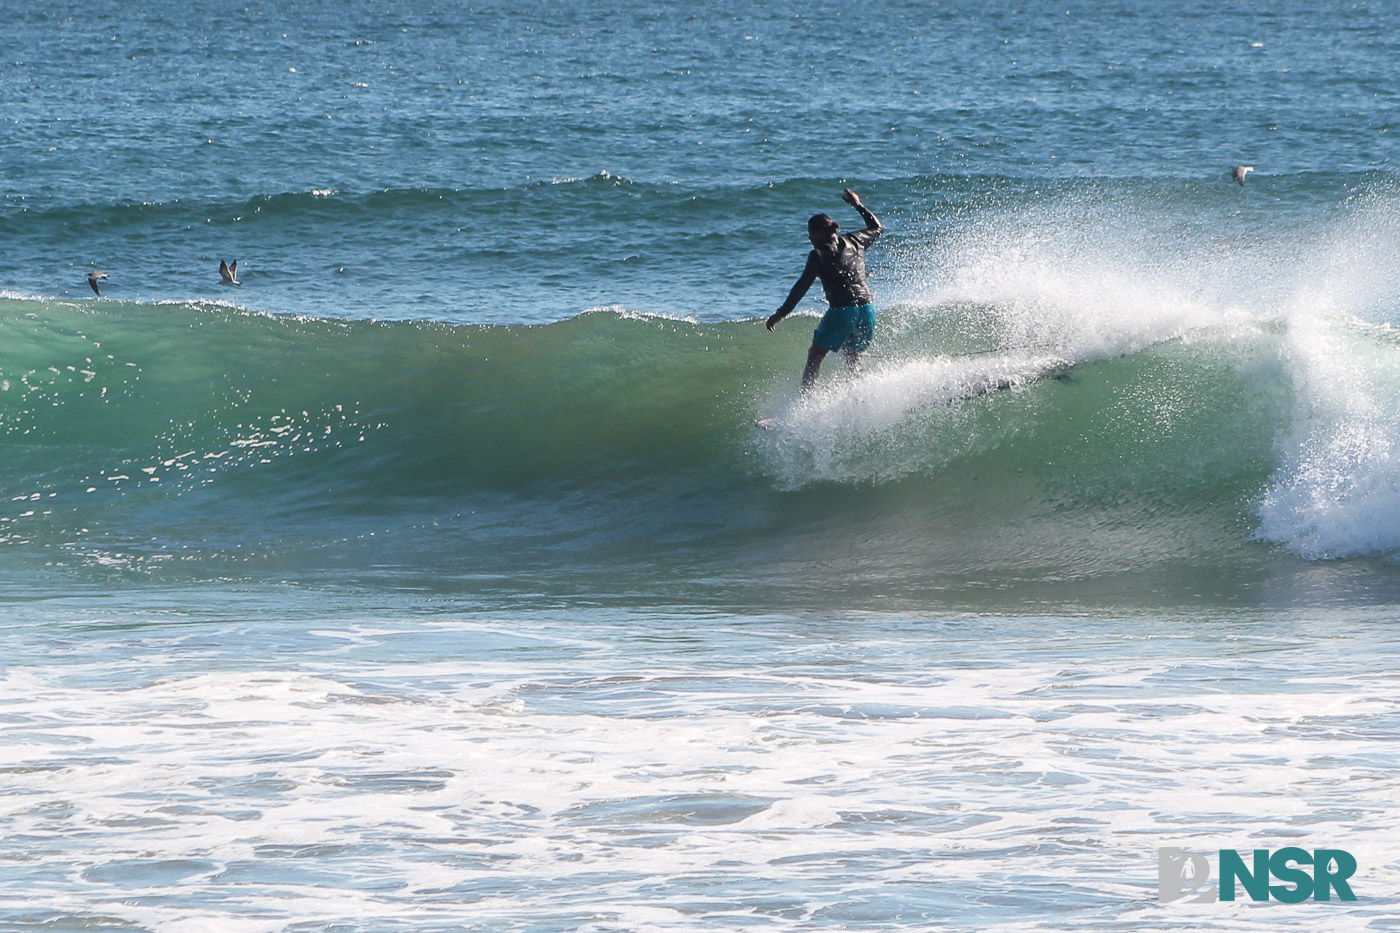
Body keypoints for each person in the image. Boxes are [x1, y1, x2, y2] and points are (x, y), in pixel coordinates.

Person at [766, 189, 883, 392]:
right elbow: (877, 228)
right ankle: (859, 397)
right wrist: (858, 205)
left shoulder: (818, 254)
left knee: (815, 356)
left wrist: (781, 314)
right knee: (852, 353)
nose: (810, 238)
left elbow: (801, 287)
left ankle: (804, 406)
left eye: (811, 234)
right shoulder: (855, 241)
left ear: (819, 232)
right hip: (867, 309)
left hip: (842, 311)